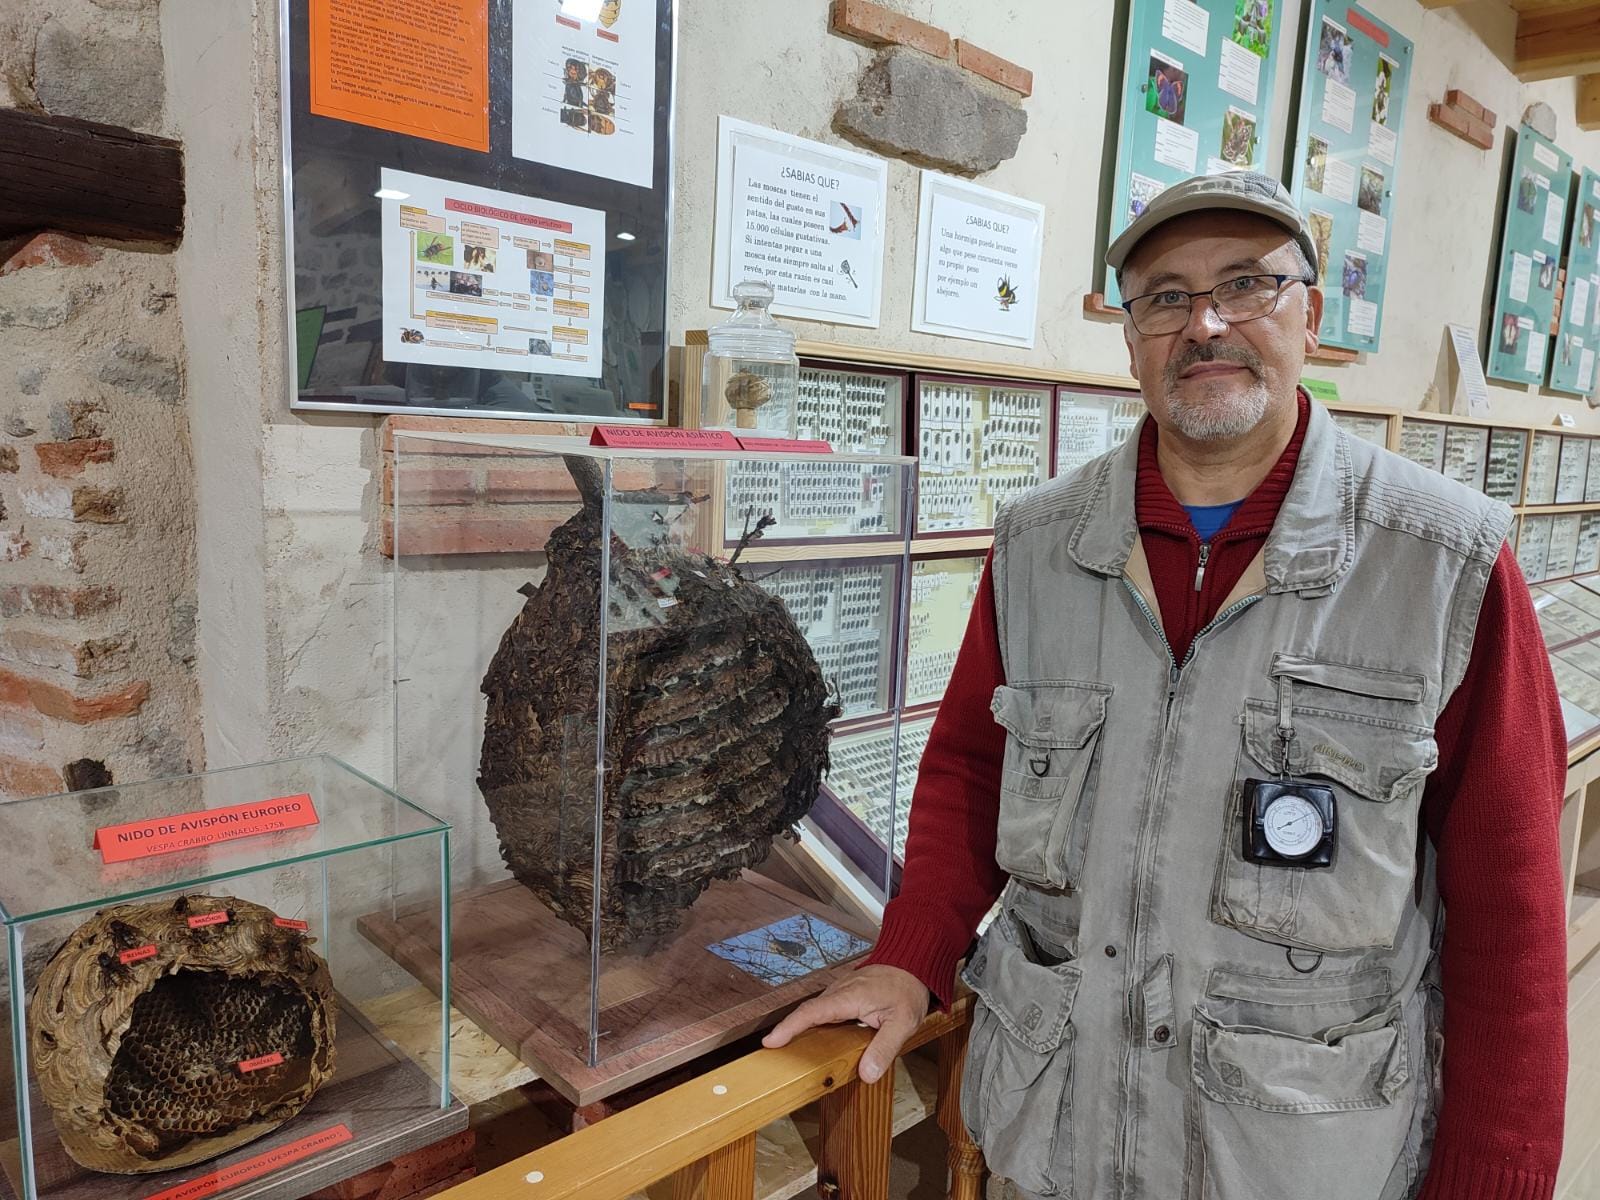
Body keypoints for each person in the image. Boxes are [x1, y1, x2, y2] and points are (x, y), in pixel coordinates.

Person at [765, 172, 1569, 1199]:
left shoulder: (1443, 561)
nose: (1206, 322)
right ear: (1131, 332)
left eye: (1247, 284)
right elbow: (972, 766)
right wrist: (908, 954)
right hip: (1056, 1141)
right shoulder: (1038, 544)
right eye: (1164, 295)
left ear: (1309, 317)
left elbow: (1511, 916)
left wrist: (1493, 1176)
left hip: (1299, 1155)